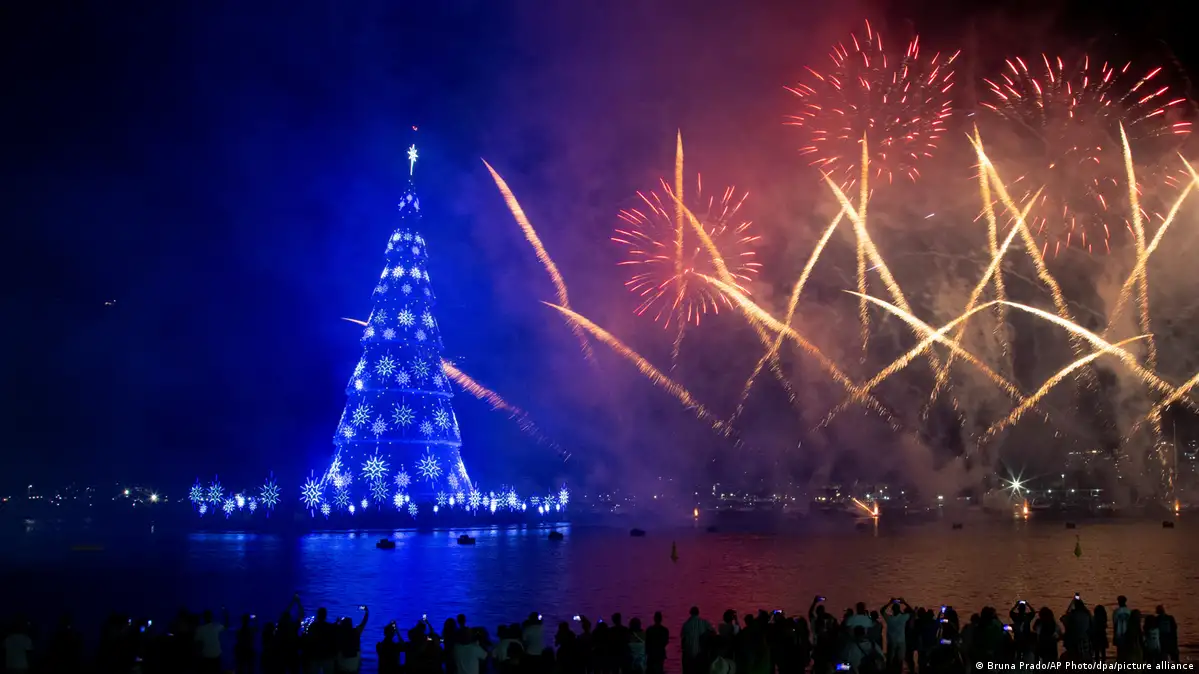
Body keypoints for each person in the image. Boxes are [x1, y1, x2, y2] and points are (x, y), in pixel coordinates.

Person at [335, 606, 369, 673]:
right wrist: (367, 612)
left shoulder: (339, 632)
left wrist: (337, 622)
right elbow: (364, 622)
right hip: (354, 665)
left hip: (341, 666)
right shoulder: (356, 632)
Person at [195, 608, 230, 674]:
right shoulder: (216, 626)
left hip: (206, 655)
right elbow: (226, 626)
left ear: (204, 617)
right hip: (216, 655)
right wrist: (227, 616)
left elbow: (198, 643)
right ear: (211, 617)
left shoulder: (200, 629)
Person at [305, 607, 338, 674]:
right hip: (327, 655)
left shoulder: (312, 626)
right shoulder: (329, 627)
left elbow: (308, 640)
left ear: (318, 615)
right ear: (325, 615)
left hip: (315, 655)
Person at [682, 607, 713, 674]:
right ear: (698, 613)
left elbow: (683, 639)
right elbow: (713, 632)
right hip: (701, 655)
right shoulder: (704, 622)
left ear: (690, 613)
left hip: (689, 656)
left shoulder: (686, 624)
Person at [881, 599, 910, 669]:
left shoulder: (889, 619)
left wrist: (889, 603)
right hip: (901, 642)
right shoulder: (903, 617)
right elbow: (912, 612)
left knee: (890, 661)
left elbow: (882, 610)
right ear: (899, 610)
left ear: (892, 610)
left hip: (891, 641)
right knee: (900, 661)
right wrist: (904, 602)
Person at [1112, 596, 1131, 661]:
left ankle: (1120, 664)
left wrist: (1114, 635)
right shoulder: (1129, 611)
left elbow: (1115, 623)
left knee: (1119, 652)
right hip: (1127, 634)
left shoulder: (1116, 611)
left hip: (1119, 633)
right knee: (1126, 651)